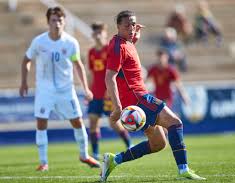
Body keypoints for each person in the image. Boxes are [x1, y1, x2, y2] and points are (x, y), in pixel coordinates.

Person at [101, 10, 206, 181]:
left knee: (159, 144)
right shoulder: (117, 47)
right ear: (118, 26)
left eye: (133, 24)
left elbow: (128, 50)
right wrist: (118, 107)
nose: (131, 28)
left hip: (136, 99)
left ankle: (114, 160)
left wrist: (136, 36)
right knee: (175, 123)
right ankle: (183, 169)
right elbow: (109, 77)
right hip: (138, 98)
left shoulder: (126, 42)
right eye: (127, 25)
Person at [19, 6, 100, 171]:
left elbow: (78, 65)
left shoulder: (70, 43)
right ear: (48, 22)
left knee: (77, 121)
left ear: (64, 22)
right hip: (44, 90)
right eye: (54, 20)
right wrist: (24, 82)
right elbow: (26, 60)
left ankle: (84, 155)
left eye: (60, 20)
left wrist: (86, 88)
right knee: (41, 122)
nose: (57, 23)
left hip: (65, 90)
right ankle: (43, 162)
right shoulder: (39, 42)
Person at [87, 22, 132, 160]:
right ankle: (95, 152)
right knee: (93, 123)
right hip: (95, 94)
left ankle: (129, 144)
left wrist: (113, 90)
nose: (98, 35)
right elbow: (91, 74)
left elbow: (117, 72)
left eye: (100, 32)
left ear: (105, 33)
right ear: (92, 35)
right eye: (95, 32)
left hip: (109, 95)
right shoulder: (91, 52)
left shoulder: (110, 49)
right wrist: (88, 91)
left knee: (114, 124)